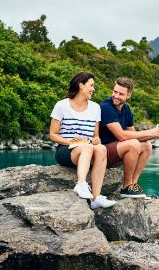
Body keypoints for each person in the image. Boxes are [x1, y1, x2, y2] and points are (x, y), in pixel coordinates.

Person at [49, 72, 116, 209]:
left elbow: (95, 136)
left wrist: (96, 140)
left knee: (101, 148)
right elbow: (53, 135)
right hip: (66, 149)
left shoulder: (95, 108)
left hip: (87, 148)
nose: (93, 89)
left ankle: (96, 198)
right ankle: (81, 184)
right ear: (81, 86)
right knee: (87, 147)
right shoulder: (61, 105)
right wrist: (71, 142)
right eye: (91, 85)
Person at [100, 77, 159, 198]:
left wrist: (154, 134)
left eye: (121, 94)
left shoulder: (126, 109)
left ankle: (133, 185)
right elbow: (122, 135)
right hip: (101, 153)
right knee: (133, 144)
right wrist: (149, 132)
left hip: (116, 151)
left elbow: (134, 136)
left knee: (146, 146)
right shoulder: (105, 107)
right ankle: (126, 187)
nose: (116, 96)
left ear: (128, 95)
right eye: (115, 92)